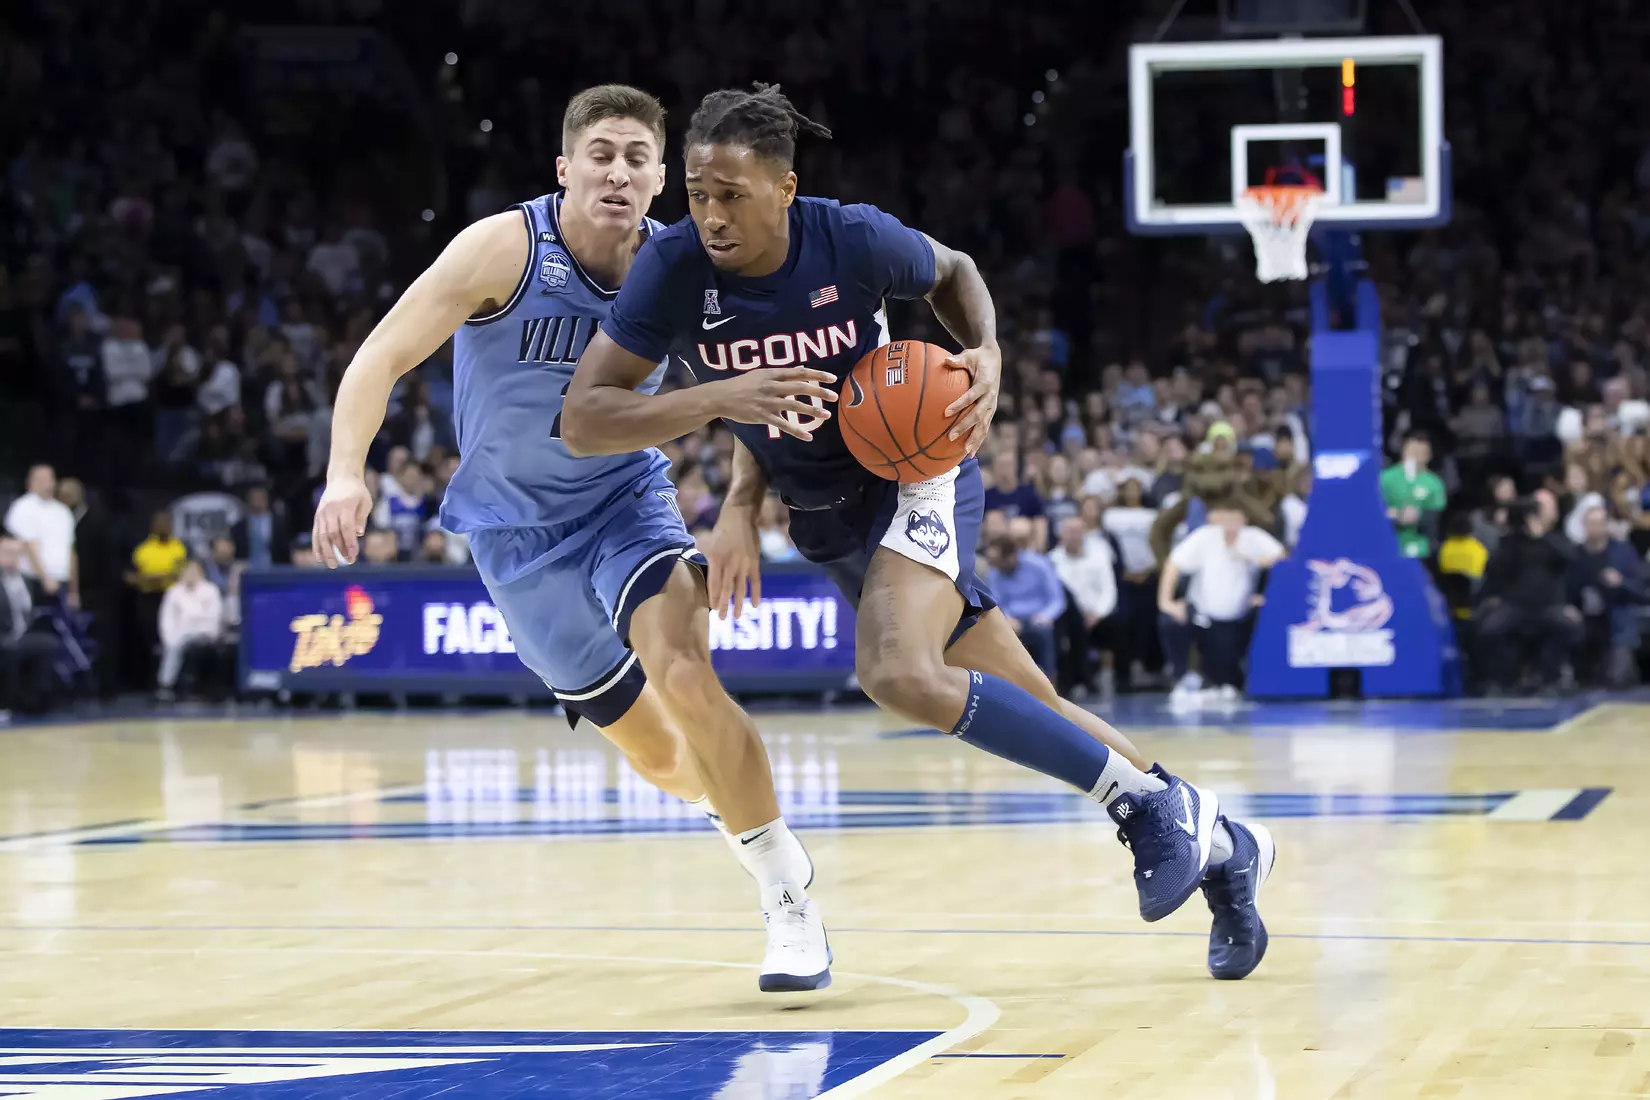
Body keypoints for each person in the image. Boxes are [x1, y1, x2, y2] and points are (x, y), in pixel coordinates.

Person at [566, 82, 1275, 981]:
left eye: (731, 195)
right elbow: (586, 418)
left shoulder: (852, 237)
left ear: (785, 188)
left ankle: (1141, 812)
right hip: (826, 517)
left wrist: (986, 352)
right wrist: (738, 485)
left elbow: (957, 273)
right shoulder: (673, 269)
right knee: (1036, 705)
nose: (709, 214)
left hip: (916, 474)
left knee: (898, 673)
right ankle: (1219, 843)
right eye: (698, 194)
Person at [310, 85, 820, 993]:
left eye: (636, 159)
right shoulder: (503, 249)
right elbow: (379, 356)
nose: (618, 173)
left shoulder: (680, 271)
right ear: (565, 169)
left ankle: (784, 887)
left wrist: (744, 504)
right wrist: (348, 470)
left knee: (686, 670)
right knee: (664, 759)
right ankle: (733, 808)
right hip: (514, 535)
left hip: (626, 499)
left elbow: (752, 396)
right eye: (601, 154)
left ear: (662, 179)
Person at [1157, 503, 1286, 700]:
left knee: (1225, 673)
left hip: (1237, 617)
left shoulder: (1254, 537)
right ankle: (1181, 676)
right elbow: (1173, 564)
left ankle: (1237, 680)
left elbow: (1283, 559)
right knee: (1171, 621)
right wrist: (1165, 602)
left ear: (1244, 517)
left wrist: (1255, 564)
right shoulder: (1204, 536)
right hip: (1201, 614)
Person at [1475, 501, 1581, 693]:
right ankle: (1503, 679)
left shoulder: (1555, 540)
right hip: (1516, 604)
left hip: (1548, 604)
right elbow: (1495, 569)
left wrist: (1542, 537)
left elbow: (1570, 558)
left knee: (1572, 629)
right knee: (1489, 630)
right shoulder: (1511, 542)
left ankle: (1551, 676)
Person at [1567, 504, 1647, 686]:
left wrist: (1621, 582)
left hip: (1617, 617)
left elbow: (1641, 590)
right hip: (1585, 618)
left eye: (1598, 523)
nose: (1595, 528)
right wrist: (1569, 606)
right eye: (1590, 523)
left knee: (1616, 679)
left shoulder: (1623, 552)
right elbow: (1567, 587)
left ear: (1606, 526)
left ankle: (1628, 669)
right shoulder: (1576, 555)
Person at [985, 533, 1065, 678]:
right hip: (1012, 620)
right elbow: (996, 602)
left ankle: (1050, 679)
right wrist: (1007, 618)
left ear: (1011, 556)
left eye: (998, 561)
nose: (994, 566)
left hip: (1039, 617)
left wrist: (1046, 616)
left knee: (1043, 632)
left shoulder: (1039, 564)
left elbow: (1057, 599)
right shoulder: (995, 572)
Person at [0, 536, 60, 720]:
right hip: (3, 636)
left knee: (48, 643)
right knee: (9, 649)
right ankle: (5, 704)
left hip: (22, 634)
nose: (14, 559)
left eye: (18, 554)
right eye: (8, 554)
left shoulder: (25, 580)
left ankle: (35, 703)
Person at [4, 464, 77, 606]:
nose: (48, 482)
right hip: (33, 580)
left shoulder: (62, 511)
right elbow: (29, 546)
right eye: (43, 479)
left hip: (63, 581)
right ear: (31, 482)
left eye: (50, 478)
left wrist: (73, 590)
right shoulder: (23, 507)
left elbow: (71, 550)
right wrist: (45, 578)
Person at [156, 559, 226, 701]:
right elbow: (166, 619)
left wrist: (207, 631)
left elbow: (214, 616)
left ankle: (185, 686)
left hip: (204, 632)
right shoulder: (173, 592)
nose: (190, 574)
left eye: (194, 571)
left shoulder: (210, 590)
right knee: (174, 646)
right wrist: (168, 636)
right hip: (179, 633)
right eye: (188, 571)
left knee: (193, 645)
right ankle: (165, 685)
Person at [1381, 431, 1447, 559]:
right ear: (1404, 451)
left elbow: (1435, 518)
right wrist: (1395, 515)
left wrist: (1418, 516)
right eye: (1413, 450)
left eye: (1421, 452)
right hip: (1388, 547)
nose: (1416, 456)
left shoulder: (1434, 483)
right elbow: (1372, 511)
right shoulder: (1385, 478)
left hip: (1421, 549)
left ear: (1428, 455)